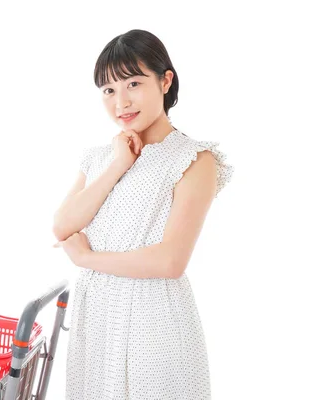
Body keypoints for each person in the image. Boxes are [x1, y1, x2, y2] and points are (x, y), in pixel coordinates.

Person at [52, 29, 234, 399]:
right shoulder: (102, 157)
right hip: (97, 317)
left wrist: (87, 257)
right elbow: (62, 226)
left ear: (165, 80)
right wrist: (119, 165)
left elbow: (170, 260)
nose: (121, 102)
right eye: (109, 90)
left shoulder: (195, 160)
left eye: (133, 83)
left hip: (153, 322)